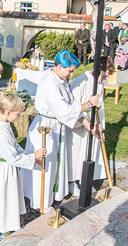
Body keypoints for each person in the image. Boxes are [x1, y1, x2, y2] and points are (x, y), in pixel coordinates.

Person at [20, 50, 99, 209]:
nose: (71, 74)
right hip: (46, 128)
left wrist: (84, 121)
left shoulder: (60, 80)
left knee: (57, 162)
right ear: (60, 66)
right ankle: (40, 199)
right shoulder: (49, 83)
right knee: (46, 163)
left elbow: (71, 105)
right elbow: (64, 110)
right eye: (70, 70)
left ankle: (54, 194)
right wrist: (89, 104)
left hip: (57, 126)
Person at [0, 94, 47, 241]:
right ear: (8, 112)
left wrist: (30, 156)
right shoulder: (0, 132)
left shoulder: (2, 125)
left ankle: (3, 223)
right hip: (3, 170)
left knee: (6, 197)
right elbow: (13, 157)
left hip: (5, 166)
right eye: (17, 114)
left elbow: (15, 147)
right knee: (3, 198)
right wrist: (33, 157)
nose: (18, 117)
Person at [67, 57, 114, 196]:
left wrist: (100, 126)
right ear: (98, 70)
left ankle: (85, 181)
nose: (104, 79)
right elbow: (73, 108)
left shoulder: (100, 83)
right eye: (104, 75)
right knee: (77, 154)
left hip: (92, 125)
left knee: (89, 153)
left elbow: (100, 108)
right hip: (80, 125)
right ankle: (73, 181)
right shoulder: (80, 81)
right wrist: (85, 121)